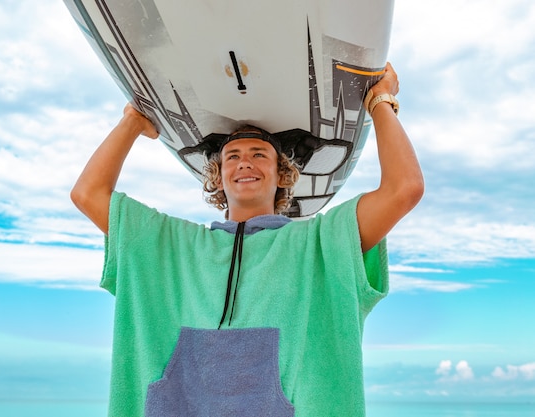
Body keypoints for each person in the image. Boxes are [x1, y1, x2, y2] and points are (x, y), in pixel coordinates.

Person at [71, 62, 423, 417]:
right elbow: (87, 194)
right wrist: (133, 120)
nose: (244, 163)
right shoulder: (172, 247)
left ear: (283, 175)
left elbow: (403, 189)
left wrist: (381, 101)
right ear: (218, 178)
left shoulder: (320, 243)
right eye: (233, 157)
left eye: (259, 155)